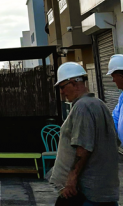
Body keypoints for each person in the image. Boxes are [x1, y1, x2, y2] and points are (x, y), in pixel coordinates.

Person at [49, 62, 119, 206]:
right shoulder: (98, 103)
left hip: (86, 193)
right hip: (102, 191)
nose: (61, 92)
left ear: (75, 83)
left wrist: (72, 179)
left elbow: (83, 147)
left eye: (62, 87)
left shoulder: (82, 107)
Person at [108, 54, 123, 145]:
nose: (113, 80)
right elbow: (115, 119)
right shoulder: (122, 97)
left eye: (113, 77)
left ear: (121, 76)